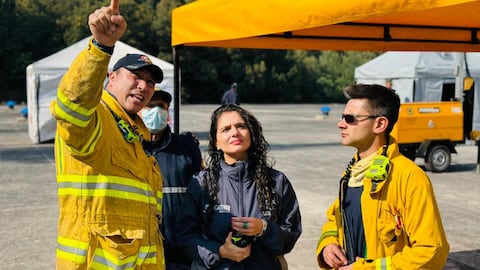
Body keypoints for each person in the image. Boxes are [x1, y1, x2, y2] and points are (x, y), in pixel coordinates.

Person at [50, 0, 166, 269]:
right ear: (111, 78)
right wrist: (101, 48)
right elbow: (71, 105)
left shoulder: (137, 130)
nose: (144, 85)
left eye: (150, 81)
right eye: (136, 76)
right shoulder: (96, 116)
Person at [315, 84, 449, 269]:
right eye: (342, 117)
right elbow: (334, 221)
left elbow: (431, 250)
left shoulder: (409, 177)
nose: (340, 124)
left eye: (350, 118)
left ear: (379, 124)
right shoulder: (352, 174)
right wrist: (327, 245)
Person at [175, 104, 302, 269]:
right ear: (215, 142)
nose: (235, 132)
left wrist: (264, 229)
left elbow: (290, 236)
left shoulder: (277, 181)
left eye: (241, 126)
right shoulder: (201, 183)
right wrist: (220, 251)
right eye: (226, 129)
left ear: (251, 133)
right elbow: (185, 236)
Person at [140, 89, 204, 270]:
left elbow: (202, 193)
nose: (155, 111)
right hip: (139, 250)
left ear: (168, 111)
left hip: (181, 250)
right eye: (149, 106)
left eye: (161, 106)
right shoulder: (127, 147)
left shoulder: (187, 146)